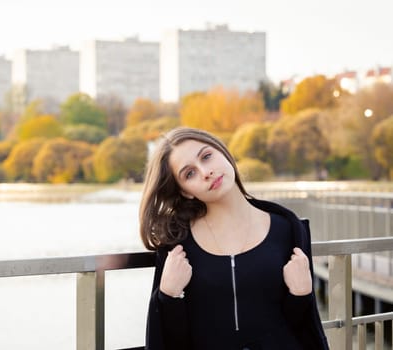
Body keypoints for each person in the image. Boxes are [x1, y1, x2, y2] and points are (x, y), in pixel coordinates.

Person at [139, 127, 329, 350]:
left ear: (223, 153)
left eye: (207, 157)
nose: (205, 172)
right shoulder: (177, 243)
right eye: (189, 173)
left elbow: (300, 327)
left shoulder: (288, 228)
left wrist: (302, 294)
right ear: (185, 191)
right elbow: (173, 339)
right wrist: (168, 296)